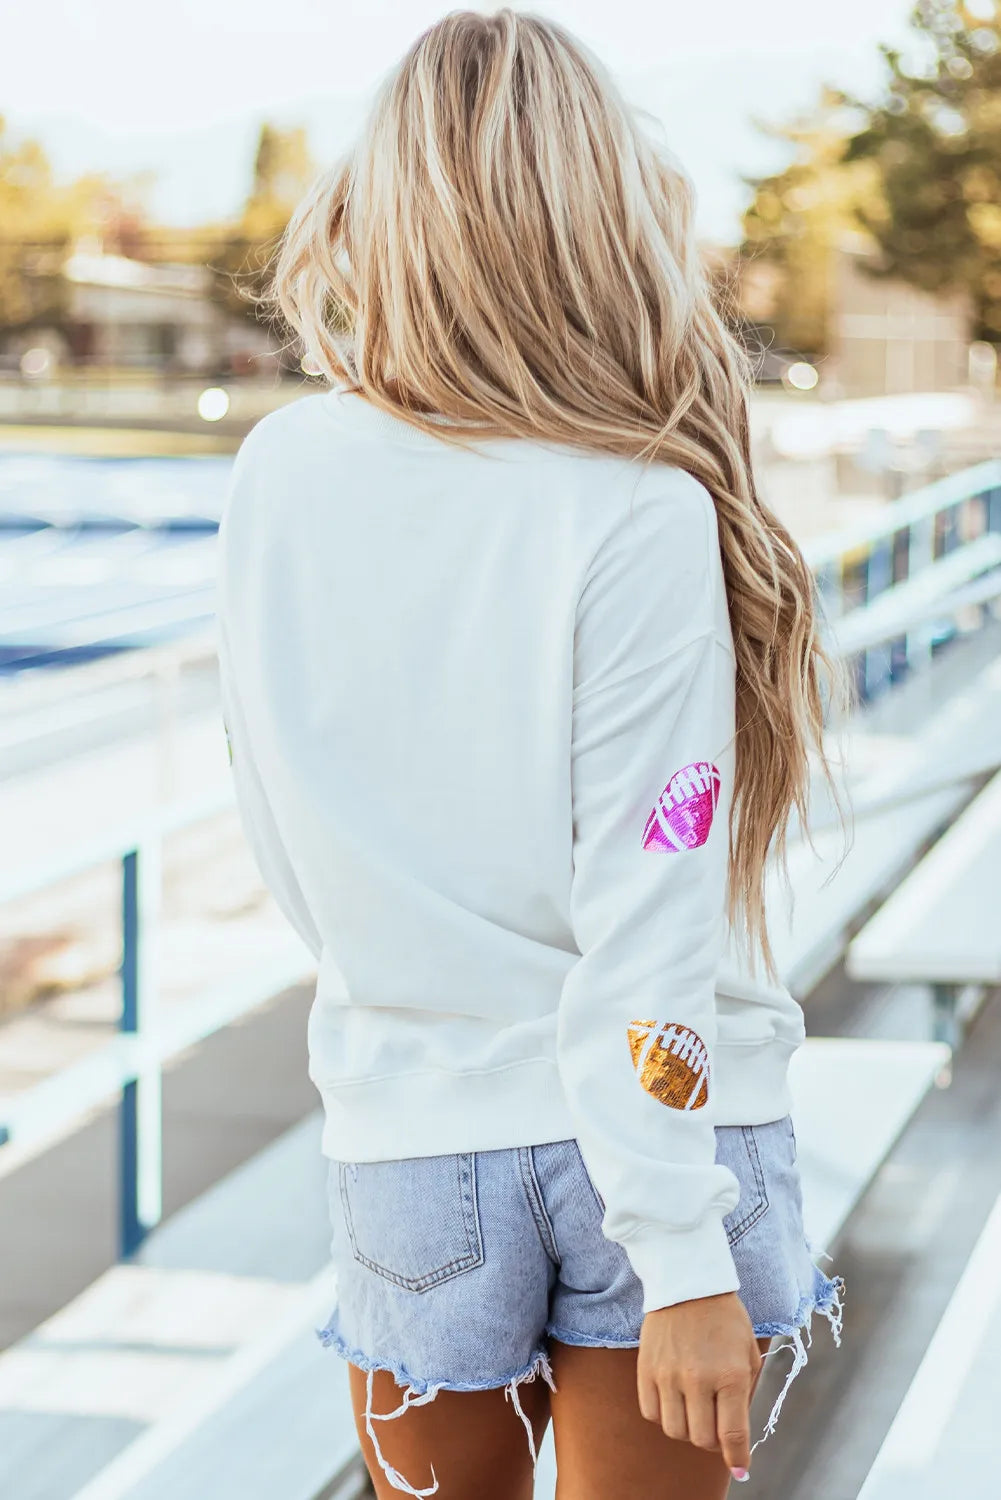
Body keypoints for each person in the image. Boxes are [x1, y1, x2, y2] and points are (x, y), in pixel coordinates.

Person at [216, 11, 844, 1497]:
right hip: (664, 1150)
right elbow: (654, 900)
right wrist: (679, 1254)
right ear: (601, 211)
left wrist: (415, 1001)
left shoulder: (282, 472)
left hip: (412, 1137)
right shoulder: (636, 500)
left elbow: (277, 824)